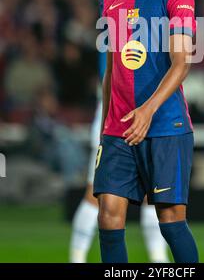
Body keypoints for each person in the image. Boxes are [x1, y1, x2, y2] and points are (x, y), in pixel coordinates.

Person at [94, 0, 199, 263]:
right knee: (108, 215)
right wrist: (106, 125)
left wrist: (148, 109)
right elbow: (111, 68)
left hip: (165, 125)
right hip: (119, 127)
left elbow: (181, 63)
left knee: (170, 221)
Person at [69, 55, 169, 263]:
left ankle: (159, 260)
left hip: (152, 111)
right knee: (97, 194)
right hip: (116, 111)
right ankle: (76, 258)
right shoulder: (115, 23)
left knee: (154, 192)